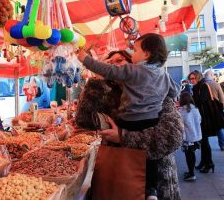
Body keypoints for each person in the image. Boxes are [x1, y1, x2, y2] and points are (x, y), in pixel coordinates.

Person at [77, 33, 180, 200]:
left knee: (149, 165)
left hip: (157, 182)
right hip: (118, 177)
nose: (113, 67)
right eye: (110, 63)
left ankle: (151, 191)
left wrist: (122, 136)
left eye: (119, 61)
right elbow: (83, 120)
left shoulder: (136, 72)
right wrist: (96, 81)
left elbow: (171, 137)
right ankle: (151, 191)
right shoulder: (105, 92)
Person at [188, 70, 224, 174]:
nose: (192, 80)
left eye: (193, 78)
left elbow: (203, 101)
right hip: (202, 118)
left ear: (198, 77)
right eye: (190, 79)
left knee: (204, 142)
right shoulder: (196, 87)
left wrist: (191, 100)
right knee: (203, 142)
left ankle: (209, 163)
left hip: (205, 118)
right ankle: (204, 162)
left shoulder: (202, 86)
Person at [179, 92, 202, 181]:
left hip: (188, 138)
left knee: (189, 156)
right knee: (192, 154)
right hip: (196, 136)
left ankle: (192, 174)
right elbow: (200, 120)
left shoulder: (182, 111)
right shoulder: (195, 109)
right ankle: (191, 172)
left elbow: (181, 124)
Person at [204, 70, 224, 151]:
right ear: (211, 75)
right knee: (219, 127)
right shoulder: (216, 84)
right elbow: (222, 97)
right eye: (213, 75)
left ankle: (206, 146)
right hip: (215, 109)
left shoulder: (201, 84)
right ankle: (222, 145)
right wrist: (223, 107)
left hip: (205, 110)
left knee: (205, 128)